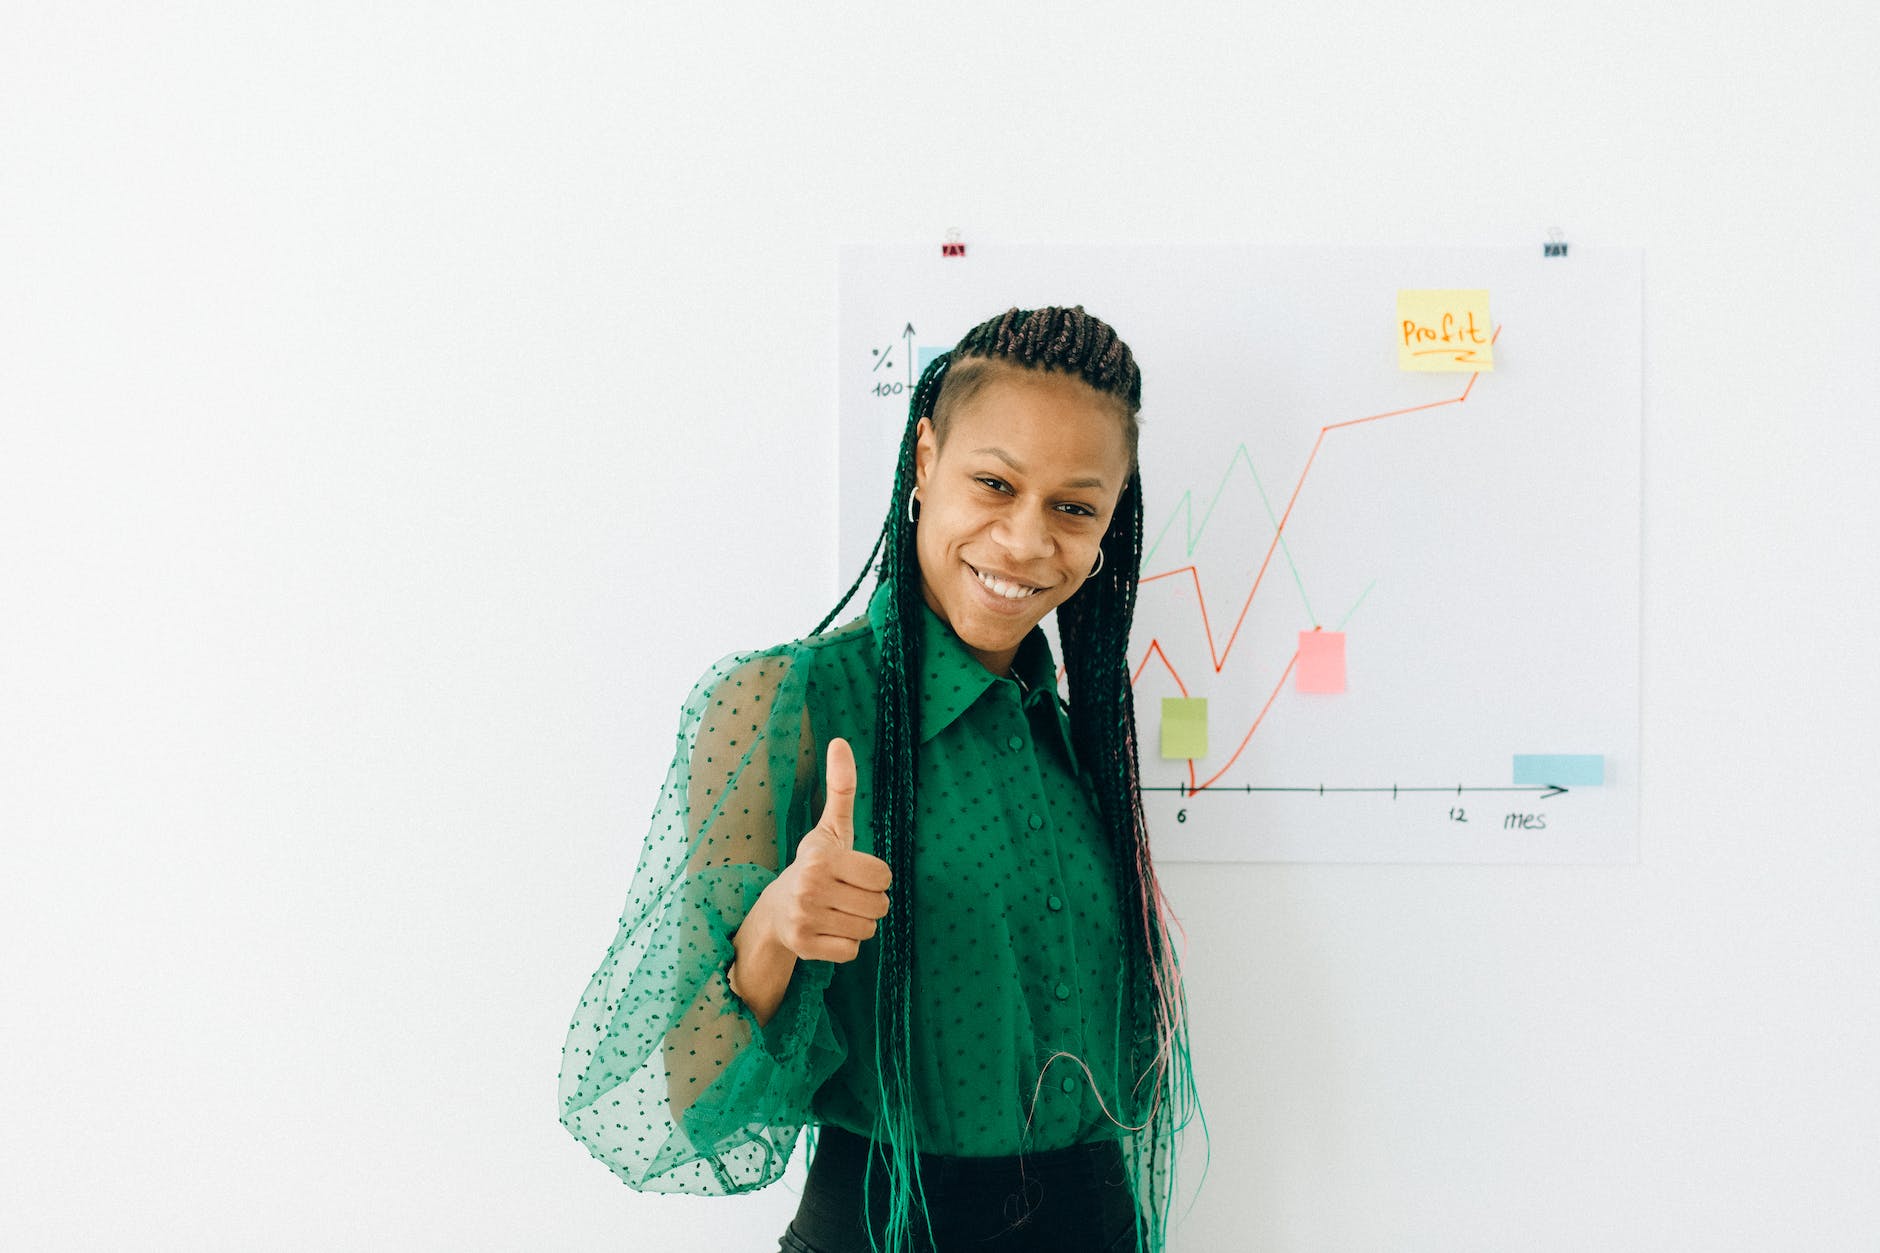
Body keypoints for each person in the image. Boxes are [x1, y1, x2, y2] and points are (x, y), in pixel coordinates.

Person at [557, 306, 1205, 1252]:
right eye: (995, 484)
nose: (1026, 541)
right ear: (925, 460)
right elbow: (688, 1097)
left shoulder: (1075, 741)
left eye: (1073, 507)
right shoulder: (783, 704)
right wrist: (774, 930)